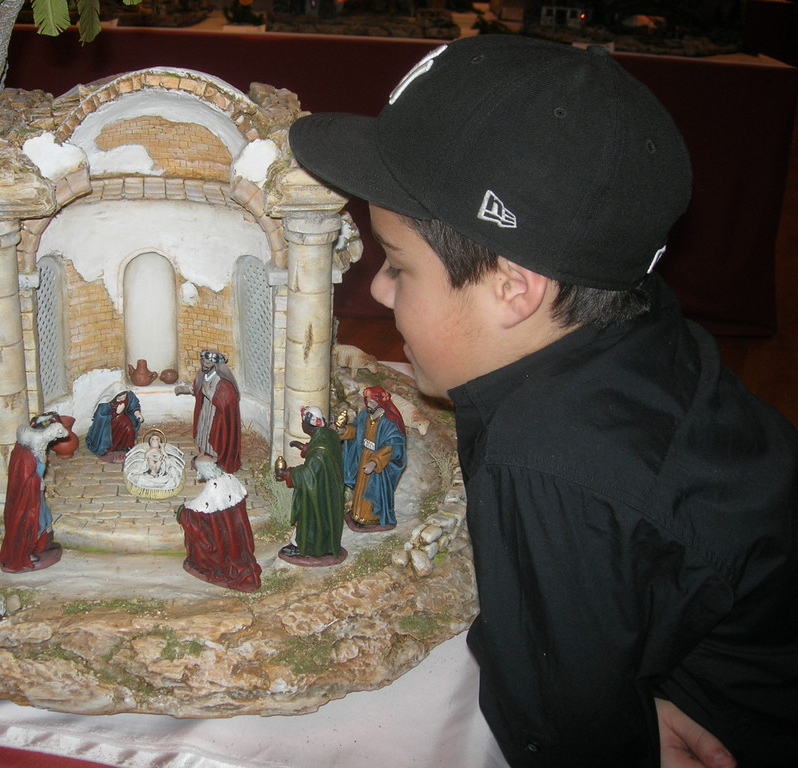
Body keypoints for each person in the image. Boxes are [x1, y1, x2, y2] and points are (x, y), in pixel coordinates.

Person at [289, 35, 796, 767]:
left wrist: (621, 727)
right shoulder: (632, 323)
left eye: (398, 266)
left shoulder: (546, 464)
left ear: (513, 289)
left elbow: (554, 725)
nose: (378, 289)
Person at [275, 406, 347, 565]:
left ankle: (307, 547)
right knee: (324, 519)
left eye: (302, 421)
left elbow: (309, 474)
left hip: (320, 493)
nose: (301, 424)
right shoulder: (328, 434)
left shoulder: (319, 452)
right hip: (329, 488)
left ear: (308, 425)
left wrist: (286, 473)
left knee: (313, 518)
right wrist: (305, 447)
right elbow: (320, 451)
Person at [178, 455, 262, 592]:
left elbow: (199, 509)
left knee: (191, 521)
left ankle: (206, 562)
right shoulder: (229, 477)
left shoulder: (213, 486)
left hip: (222, 531)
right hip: (232, 526)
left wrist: (184, 510)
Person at [0, 412, 68, 573]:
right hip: (28, 498)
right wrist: (36, 482)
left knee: (45, 518)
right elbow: (26, 479)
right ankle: (26, 553)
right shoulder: (25, 456)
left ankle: (43, 545)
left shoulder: (36, 450)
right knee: (32, 523)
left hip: (36, 493)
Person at [340, 386, 406, 530]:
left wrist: (375, 462)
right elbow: (356, 430)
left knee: (373, 489)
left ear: (380, 402)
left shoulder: (390, 422)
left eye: (371, 402)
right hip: (364, 456)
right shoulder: (365, 415)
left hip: (379, 465)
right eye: (367, 401)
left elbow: (392, 446)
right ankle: (357, 515)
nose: (368, 404)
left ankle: (372, 518)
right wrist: (345, 430)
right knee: (361, 488)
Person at [175, 349, 242, 474]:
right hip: (204, 410)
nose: (205, 365)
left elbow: (226, 400)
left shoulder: (223, 382)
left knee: (214, 435)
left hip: (217, 416)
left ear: (215, 365)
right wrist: (183, 389)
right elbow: (195, 387)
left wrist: (208, 393)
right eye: (204, 362)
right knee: (203, 431)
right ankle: (203, 454)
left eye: (208, 363)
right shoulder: (203, 374)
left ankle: (215, 459)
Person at [85, 389, 143, 463]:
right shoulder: (105, 402)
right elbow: (102, 417)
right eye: (119, 398)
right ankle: (110, 450)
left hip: (123, 418)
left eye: (124, 397)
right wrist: (116, 413)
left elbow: (133, 405)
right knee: (111, 434)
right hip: (109, 423)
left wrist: (137, 413)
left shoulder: (129, 395)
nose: (122, 399)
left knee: (129, 428)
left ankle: (126, 447)